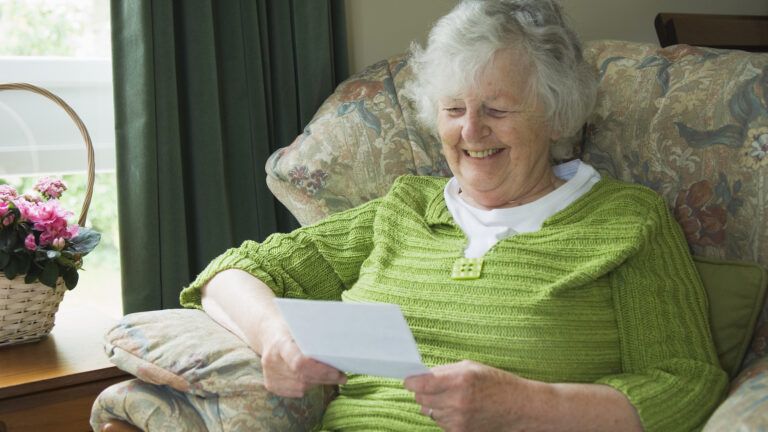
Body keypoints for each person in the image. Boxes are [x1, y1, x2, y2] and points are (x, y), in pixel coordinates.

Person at [180, 0, 728, 430]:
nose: (471, 132)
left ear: (557, 114)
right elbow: (232, 274)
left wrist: (528, 408)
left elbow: (686, 387)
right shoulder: (405, 208)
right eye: (454, 109)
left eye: (496, 109)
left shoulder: (627, 223)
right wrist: (275, 337)